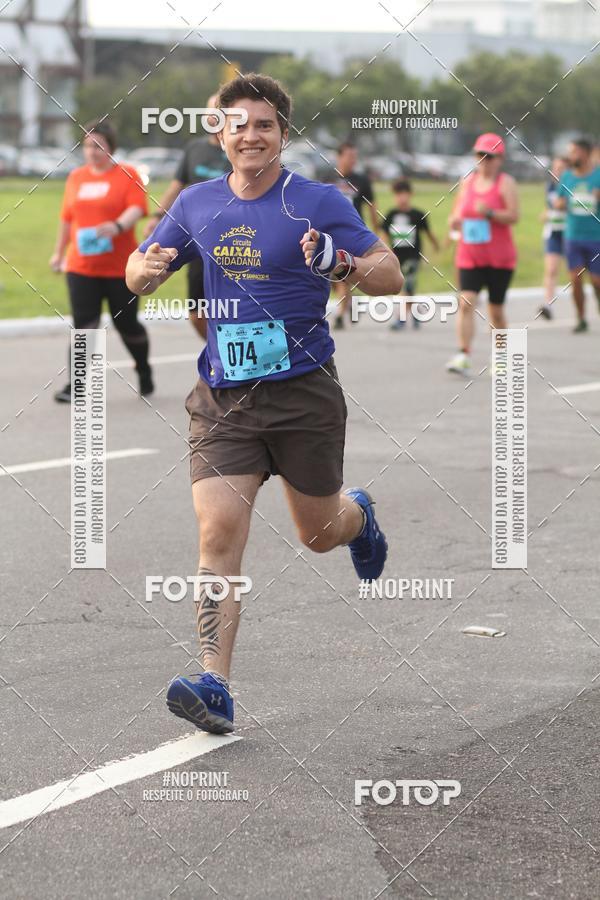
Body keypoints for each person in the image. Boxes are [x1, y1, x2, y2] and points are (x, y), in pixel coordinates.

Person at [126, 73, 402, 735]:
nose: (251, 135)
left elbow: (390, 274)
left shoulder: (317, 200)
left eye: (265, 125)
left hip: (304, 393)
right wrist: (146, 272)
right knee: (217, 534)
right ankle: (214, 683)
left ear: (282, 134)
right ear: (219, 134)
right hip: (224, 396)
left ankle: (357, 517)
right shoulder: (195, 201)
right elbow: (136, 267)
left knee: (318, 535)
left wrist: (340, 262)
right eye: (238, 124)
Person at [50, 120, 150, 402]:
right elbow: (67, 219)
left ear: (111, 148)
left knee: (126, 325)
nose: (92, 151)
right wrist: (58, 253)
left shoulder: (127, 174)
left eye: (98, 146)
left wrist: (117, 226)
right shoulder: (76, 177)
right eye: (87, 146)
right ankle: (76, 385)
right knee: (85, 325)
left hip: (120, 268)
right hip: (81, 267)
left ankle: (143, 369)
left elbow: (136, 208)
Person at [142, 94, 229, 341]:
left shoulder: (240, 151)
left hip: (233, 239)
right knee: (196, 312)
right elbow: (177, 186)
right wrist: (157, 215)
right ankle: (218, 350)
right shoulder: (194, 149)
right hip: (199, 239)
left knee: (234, 309)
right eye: (210, 112)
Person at [446, 133, 519, 376]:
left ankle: (501, 356)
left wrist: (490, 213)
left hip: (500, 258)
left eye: (490, 156)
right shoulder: (467, 181)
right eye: (480, 155)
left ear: (500, 159)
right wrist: (454, 221)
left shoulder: (506, 183)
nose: (484, 161)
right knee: (466, 302)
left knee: (496, 311)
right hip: (470, 254)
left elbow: (514, 216)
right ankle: (463, 354)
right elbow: (457, 212)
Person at [322, 142, 379, 329]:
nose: (353, 160)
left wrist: (375, 230)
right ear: (339, 157)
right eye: (349, 156)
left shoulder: (362, 180)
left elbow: (372, 206)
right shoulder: (328, 178)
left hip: (352, 234)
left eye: (355, 157)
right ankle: (351, 303)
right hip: (329, 233)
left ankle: (340, 315)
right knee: (332, 276)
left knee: (344, 273)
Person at [380, 179, 440, 330]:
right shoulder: (391, 214)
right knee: (406, 288)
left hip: (413, 256)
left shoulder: (417, 214)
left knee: (407, 285)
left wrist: (436, 246)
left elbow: (428, 233)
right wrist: (384, 252)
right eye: (398, 194)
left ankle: (400, 319)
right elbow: (383, 235)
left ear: (410, 194)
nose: (401, 198)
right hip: (396, 257)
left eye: (404, 194)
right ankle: (415, 312)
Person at [554, 139, 600, 333]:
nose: (571, 156)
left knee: (597, 281)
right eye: (570, 152)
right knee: (576, 279)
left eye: (574, 152)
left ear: (585, 153)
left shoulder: (598, 175)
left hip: (596, 237)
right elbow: (558, 201)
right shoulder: (567, 176)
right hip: (573, 237)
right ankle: (581, 318)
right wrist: (561, 204)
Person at [538, 156, 568, 320]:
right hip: (553, 233)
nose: (558, 172)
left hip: (572, 234)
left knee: (578, 273)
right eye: (556, 169)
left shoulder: (573, 185)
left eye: (562, 169)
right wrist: (545, 214)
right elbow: (549, 207)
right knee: (551, 270)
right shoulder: (549, 186)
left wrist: (564, 206)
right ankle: (548, 305)